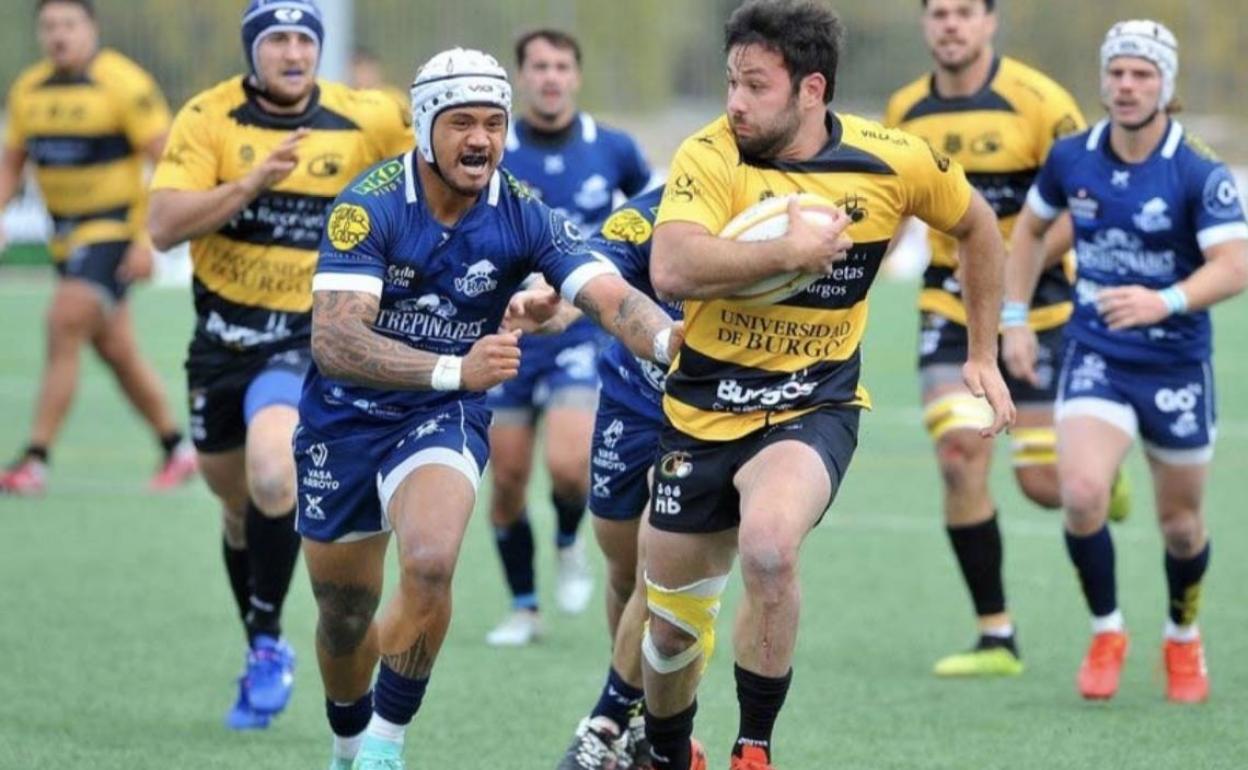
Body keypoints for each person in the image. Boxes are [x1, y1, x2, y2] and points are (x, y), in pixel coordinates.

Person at [641, 2, 1016, 768]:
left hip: (813, 403)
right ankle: (669, 749)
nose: (735, 102)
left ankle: (754, 748)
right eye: (730, 82)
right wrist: (789, 250)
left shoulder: (892, 160)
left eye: (754, 85)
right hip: (701, 408)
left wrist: (984, 350)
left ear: (812, 89)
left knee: (771, 551)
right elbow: (673, 268)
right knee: (671, 628)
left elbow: (977, 226)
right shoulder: (710, 156)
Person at [295, 46, 680, 770]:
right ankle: (347, 740)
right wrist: (455, 365)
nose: (481, 139)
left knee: (433, 561)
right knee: (344, 618)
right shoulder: (369, 204)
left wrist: (669, 342)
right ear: (423, 126)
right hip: (344, 420)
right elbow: (335, 341)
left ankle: (384, 744)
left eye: (495, 123)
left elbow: (604, 292)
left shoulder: (523, 211)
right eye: (462, 122)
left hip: (438, 416)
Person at [146, 0, 411, 730]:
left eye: (305, 39)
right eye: (278, 40)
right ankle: (260, 634)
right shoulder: (209, 118)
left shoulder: (369, 116)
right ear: (252, 51)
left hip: (305, 338)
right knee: (236, 508)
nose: (293, 53)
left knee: (273, 473)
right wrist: (248, 185)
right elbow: (163, 227)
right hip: (220, 342)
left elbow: (438, 172)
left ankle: (267, 644)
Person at [1003, 20, 1248, 704]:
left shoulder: (1196, 169)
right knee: (1080, 493)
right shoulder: (1072, 156)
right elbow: (1028, 233)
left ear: (1165, 85)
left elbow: (1234, 267)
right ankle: (1107, 630)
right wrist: (1015, 318)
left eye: (1142, 74)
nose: (1127, 85)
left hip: (1175, 366)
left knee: (1180, 525)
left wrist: (1164, 300)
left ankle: (1182, 635)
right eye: (1117, 73)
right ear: (1104, 81)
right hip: (1096, 353)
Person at [883, 0, 1115, 677]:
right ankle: (996, 636)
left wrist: (1012, 295)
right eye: (938, 14)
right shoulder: (905, 109)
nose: (949, 25)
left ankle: (1102, 480)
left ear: (990, 22)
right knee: (959, 453)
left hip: (1042, 309)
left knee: (1052, 485)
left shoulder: (1040, 101)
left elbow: (1082, 205)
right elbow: (891, 208)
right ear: (926, 26)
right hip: (948, 307)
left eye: (964, 13)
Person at [484, 28, 655, 647]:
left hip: (579, 328)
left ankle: (566, 540)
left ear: (575, 76)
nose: (550, 77)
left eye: (561, 66)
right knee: (504, 479)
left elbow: (652, 222)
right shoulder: (493, 149)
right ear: (521, 78)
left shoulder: (613, 149)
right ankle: (524, 607)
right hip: (507, 329)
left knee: (567, 468)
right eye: (539, 67)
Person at [0, 0, 194, 495]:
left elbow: (172, 161)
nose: (58, 35)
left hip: (113, 232)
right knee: (116, 349)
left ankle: (34, 459)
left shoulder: (124, 83)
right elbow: (12, 163)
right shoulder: (28, 89)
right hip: (65, 238)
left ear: (92, 29)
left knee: (63, 320)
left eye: (68, 24)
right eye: (48, 26)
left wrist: (146, 239)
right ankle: (176, 446)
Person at [554, 185, 679, 770]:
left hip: (703, 419)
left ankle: (616, 720)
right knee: (625, 571)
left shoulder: (767, 213)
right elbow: (594, 269)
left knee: (662, 569)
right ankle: (634, 714)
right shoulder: (655, 210)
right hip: (629, 405)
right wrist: (551, 302)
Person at [349, 47, 409, 113]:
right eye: (360, 70)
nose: (365, 75)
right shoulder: (349, 100)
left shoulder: (394, 98)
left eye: (368, 69)